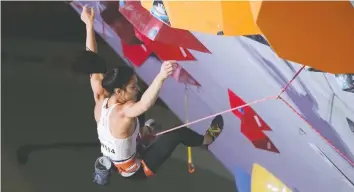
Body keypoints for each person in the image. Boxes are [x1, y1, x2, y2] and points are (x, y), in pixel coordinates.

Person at [81, 5, 223, 180]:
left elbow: (92, 62)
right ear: (118, 91)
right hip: (137, 168)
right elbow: (143, 105)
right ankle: (207, 141)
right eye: (132, 86)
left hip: (127, 145)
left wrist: (89, 24)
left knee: (150, 119)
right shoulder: (122, 112)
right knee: (176, 134)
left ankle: (142, 133)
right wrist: (162, 76)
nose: (137, 87)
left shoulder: (101, 97)